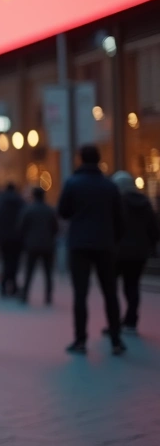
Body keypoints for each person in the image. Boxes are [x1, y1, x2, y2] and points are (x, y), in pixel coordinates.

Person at [57, 146, 125, 355]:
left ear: (81, 159)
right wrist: (114, 240)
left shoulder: (72, 183)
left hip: (79, 244)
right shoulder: (109, 186)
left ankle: (80, 340)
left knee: (80, 294)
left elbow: (63, 211)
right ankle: (116, 339)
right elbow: (119, 218)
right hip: (105, 244)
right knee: (110, 293)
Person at [111, 171, 159, 334]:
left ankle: (115, 321)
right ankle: (131, 321)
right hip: (139, 252)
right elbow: (153, 228)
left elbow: (112, 226)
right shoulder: (145, 202)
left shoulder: (117, 202)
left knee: (111, 287)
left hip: (118, 251)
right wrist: (151, 247)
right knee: (133, 286)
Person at [17, 186, 58, 306]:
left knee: (29, 271)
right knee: (48, 272)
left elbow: (21, 227)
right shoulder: (49, 210)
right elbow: (55, 227)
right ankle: (48, 296)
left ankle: (25, 294)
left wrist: (25, 240)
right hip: (47, 245)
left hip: (32, 245)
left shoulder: (28, 210)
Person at [0, 183, 26, 297]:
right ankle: (12, 286)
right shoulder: (20, 201)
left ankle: (4, 286)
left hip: (3, 238)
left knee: (6, 261)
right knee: (14, 262)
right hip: (17, 238)